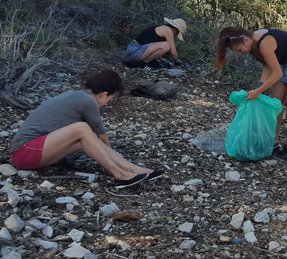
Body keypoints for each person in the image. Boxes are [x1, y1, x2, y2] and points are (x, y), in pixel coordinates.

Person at [9, 70, 164, 189]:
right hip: (24, 152)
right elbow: (102, 135)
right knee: (82, 128)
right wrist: (110, 154)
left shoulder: (78, 95)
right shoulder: (88, 101)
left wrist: (109, 154)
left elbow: (95, 139)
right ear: (103, 94)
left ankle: (137, 170)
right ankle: (121, 174)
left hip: (34, 152)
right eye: (110, 99)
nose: (108, 103)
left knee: (85, 138)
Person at [215, 27, 287, 160]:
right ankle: (273, 142)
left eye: (239, 50)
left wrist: (258, 92)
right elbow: (267, 66)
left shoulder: (264, 43)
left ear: (245, 40)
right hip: (284, 61)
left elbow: (277, 73)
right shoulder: (253, 46)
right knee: (276, 103)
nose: (240, 53)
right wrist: (258, 88)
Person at [121, 17, 187, 70]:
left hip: (130, 54)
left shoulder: (162, 28)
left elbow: (153, 48)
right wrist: (177, 61)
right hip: (132, 53)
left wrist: (162, 60)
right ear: (176, 30)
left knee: (165, 46)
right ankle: (143, 64)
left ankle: (140, 63)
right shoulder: (167, 30)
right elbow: (173, 52)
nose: (175, 36)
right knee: (166, 45)